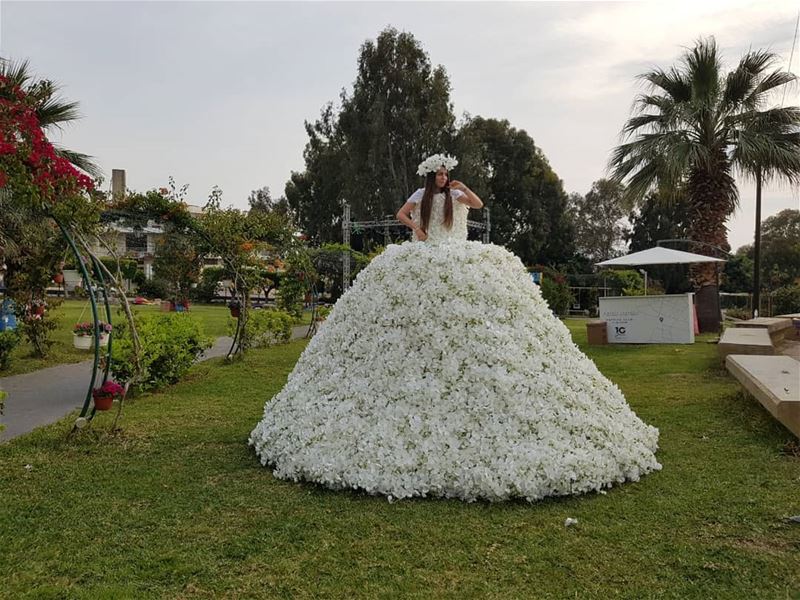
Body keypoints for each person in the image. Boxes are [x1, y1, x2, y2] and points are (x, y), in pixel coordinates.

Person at [250, 153, 660, 502]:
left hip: (460, 254)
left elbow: (479, 205)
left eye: (446, 174)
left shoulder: (458, 194)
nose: (443, 178)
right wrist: (417, 229)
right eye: (440, 175)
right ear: (431, 177)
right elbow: (401, 213)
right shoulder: (421, 197)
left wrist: (462, 186)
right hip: (427, 254)